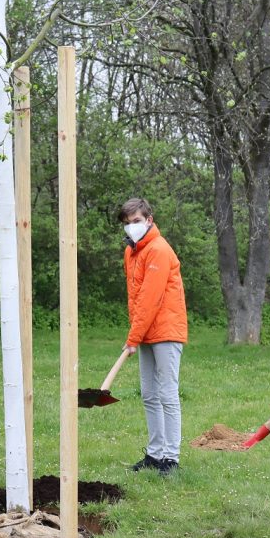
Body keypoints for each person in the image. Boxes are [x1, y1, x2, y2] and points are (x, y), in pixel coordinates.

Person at [119, 198, 189, 477]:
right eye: (127, 223)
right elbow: (134, 299)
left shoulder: (159, 250)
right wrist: (136, 333)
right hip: (146, 330)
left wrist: (133, 337)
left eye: (136, 221)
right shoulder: (131, 252)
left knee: (167, 394)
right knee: (149, 394)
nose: (131, 227)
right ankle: (154, 453)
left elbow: (150, 298)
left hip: (167, 330)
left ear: (149, 219)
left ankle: (171, 459)